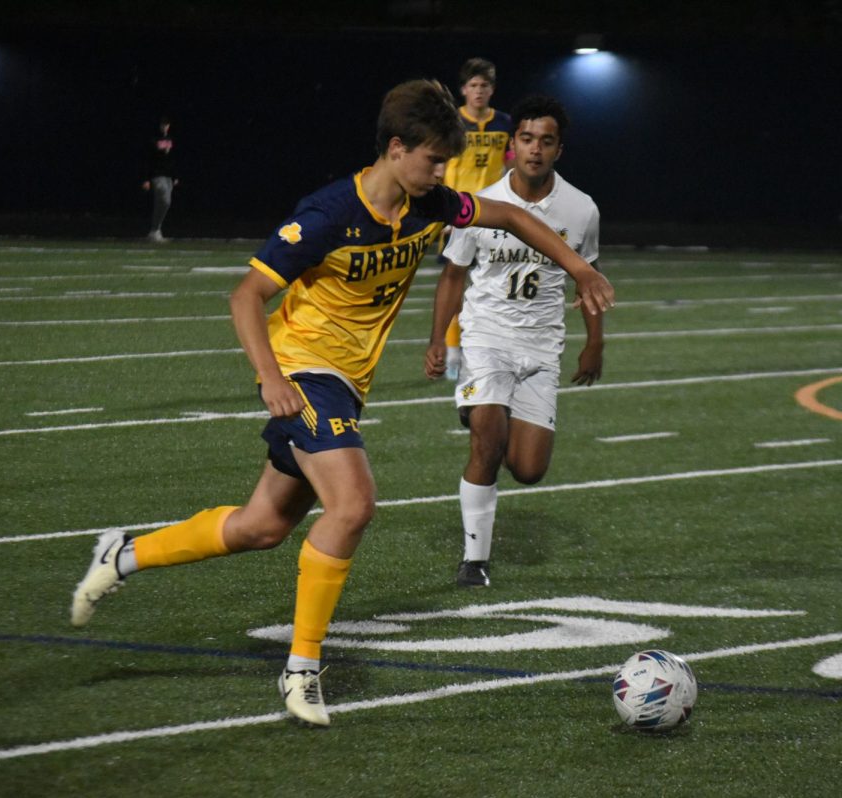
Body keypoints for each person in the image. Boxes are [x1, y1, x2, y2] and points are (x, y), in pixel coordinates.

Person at [71, 80, 614, 727]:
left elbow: (516, 218)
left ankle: (123, 554)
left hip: (347, 385)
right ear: (396, 148)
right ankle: (302, 669)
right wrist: (271, 377)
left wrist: (578, 269)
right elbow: (246, 296)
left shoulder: (427, 203)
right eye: (433, 160)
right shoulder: (329, 214)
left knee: (261, 527)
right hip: (305, 373)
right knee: (353, 506)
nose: (441, 173)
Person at [424, 95, 602, 589]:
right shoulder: (481, 202)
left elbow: (589, 276)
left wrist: (595, 342)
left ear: (559, 149)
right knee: (487, 441)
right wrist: (439, 339)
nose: (535, 150)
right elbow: (453, 275)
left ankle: (489, 418)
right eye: (526, 139)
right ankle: (473, 561)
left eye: (546, 141)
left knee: (527, 469)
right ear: (512, 145)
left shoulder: (581, 208)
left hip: (542, 346)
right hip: (486, 338)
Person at [439, 58, 515, 380]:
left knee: (493, 286)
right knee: (455, 286)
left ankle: (490, 350)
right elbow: (439, 166)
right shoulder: (451, 122)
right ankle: (453, 353)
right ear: (463, 89)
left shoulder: (505, 123)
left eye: (484, 85)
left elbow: (510, 164)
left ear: (492, 89)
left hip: (493, 215)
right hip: (458, 215)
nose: (479, 91)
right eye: (473, 85)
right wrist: (441, 210)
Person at [142, 115, 178, 242]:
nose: (164, 126)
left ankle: (155, 230)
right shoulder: (154, 139)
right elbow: (148, 159)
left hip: (168, 176)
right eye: (162, 124)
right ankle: (155, 230)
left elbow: (173, 159)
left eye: (166, 124)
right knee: (165, 200)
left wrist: (175, 176)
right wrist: (146, 179)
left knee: (162, 204)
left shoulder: (171, 139)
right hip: (157, 175)